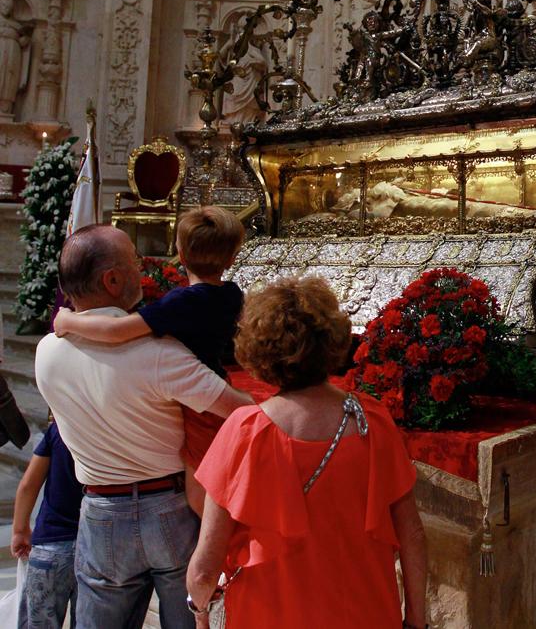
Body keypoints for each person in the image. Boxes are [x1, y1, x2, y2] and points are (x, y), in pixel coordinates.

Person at [35, 224, 252, 629]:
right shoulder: (159, 354)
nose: (143, 268)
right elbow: (239, 410)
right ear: (113, 280)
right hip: (170, 507)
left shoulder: (47, 351)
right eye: (134, 261)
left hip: (100, 511)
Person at [186, 276, 428, 629]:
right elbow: (413, 535)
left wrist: (200, 616)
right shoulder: (372, 421)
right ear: (332, 340)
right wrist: (417, 621)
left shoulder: (245, 432)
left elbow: (206, 568)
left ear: (258, 350)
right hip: (366, 613)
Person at [54, 206, 245, 517]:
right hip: (218, 377)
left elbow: (117, 331)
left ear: (180, 255)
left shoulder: (183, 302)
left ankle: (213, 542)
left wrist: (67, 321)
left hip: (201, 398)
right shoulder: (232, 293)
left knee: (199, 477)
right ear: (232, 258)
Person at [11, 421, 83, 629]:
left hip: (50, 548)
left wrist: (20, 530)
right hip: (94, 548)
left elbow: (28, 485)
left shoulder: (59, 429)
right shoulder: (109, 429)